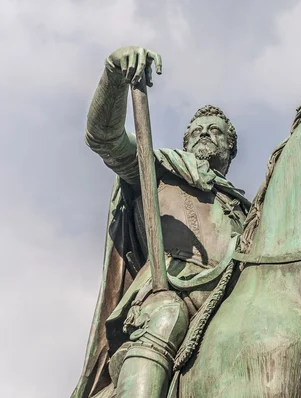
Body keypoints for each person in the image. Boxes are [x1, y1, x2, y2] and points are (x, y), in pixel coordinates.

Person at [72, 47, 250, 398]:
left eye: (215, 132)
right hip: (172, 287)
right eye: (197, 130)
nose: (204, 134)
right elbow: (102, 137)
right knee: (165, 318)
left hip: (232, 297)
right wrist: (114, 74)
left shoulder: (247, 209)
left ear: (230, 149)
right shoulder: (157, 169)